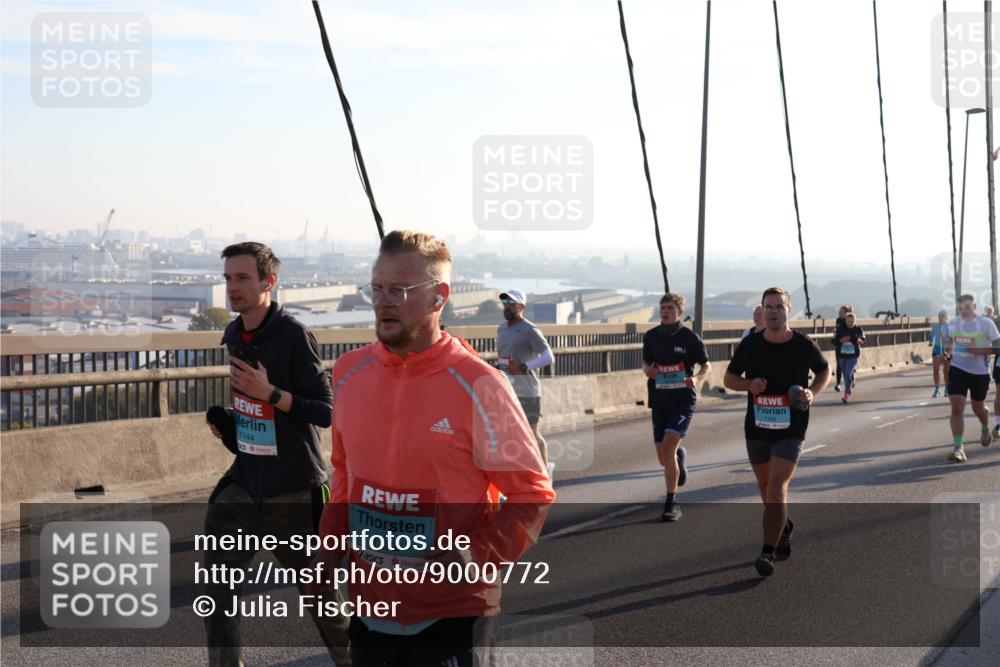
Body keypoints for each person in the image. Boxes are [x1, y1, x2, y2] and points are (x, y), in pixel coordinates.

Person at [317, 230, 555, 667]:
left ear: (438, 297)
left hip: (454, 614)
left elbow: (531, 495)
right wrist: (328, 547)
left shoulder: (480, 384)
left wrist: (470, 555)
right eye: (377, 288)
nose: (383, 301)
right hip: (372, 610)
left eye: (399, 289)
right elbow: (345, 474)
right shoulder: (349, 372)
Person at [203, 242, 350, 667]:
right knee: (217, 593)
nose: (232, 287)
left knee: (323, 602)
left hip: (294, 490)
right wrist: (231, 424)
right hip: (245, 485)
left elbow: (326, 410)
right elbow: (260, 420)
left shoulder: (293, 336)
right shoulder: (234, 333)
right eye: (228, 278)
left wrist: (272, 394)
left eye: (242, 278)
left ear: (269, 283)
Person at [725, 287, 830, 577]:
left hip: (792, 426)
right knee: (766, 491)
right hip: (757, 427)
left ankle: (767, 553)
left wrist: (812, 392)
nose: (773, 312)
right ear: (762, 310)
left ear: (789, 310)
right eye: (768, 307)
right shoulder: (751, 345)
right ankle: (784, 525)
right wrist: (748, 386)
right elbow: (728, 378)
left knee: (776, 486)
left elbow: (824, 371)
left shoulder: (803, 345)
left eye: (778, 307)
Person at [642, 293, 711, 522]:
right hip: (659, 401)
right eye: (663, 307)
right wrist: (648, 371)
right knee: (664, 457)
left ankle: (671, 503)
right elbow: (646, 364)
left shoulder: (690, 338)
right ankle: (679, 457)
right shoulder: (651, 337)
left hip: (683, 401)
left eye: (670, 308)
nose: (665, 311)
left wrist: (697, 379)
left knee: (668, 448)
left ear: (679, 312)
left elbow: (706, 366)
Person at [496, 289, 555, 471]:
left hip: (528, 390)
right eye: (505, 303)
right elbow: (504, 357)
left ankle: (544, 474)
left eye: (512, 304)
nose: (507, 307)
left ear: (522, 307)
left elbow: (548, 357)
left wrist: (523, 367)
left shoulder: (530, 330)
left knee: (532, 433)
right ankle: (521, 474)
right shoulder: (501, 328)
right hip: (507, 390)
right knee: (510, 435)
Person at [943, 294, 1000, 461]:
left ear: (974, 307)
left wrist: (979, 351)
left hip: (979, 373)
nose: (964, 312)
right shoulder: (953, 324)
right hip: (958, 370)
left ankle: (984, 425)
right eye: (961, 309)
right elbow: (948, 347)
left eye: (967, 308)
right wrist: (946, 359)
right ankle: (958, 448)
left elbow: (998, 347)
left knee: (978, 408)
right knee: (957, 407)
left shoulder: (986, 324)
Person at [835, 312, 865, 403]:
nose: (850, 323)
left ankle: (846, 394)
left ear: (855, 321)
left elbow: (862, 340)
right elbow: (833, 340)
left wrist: (856, 339)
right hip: (842, 355)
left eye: (852, 321)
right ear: (845, 321)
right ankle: (851, 382)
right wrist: (841, 340)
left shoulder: (858, 329)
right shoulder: (840, 329)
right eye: (848, 321)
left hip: (853, 355)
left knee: (848, 373)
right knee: (846, 374)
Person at [929, 310, 951, 398]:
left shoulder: (949, 326)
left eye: (942, 316)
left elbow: (951, 339)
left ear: (946, 317)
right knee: (936, 369)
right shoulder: (935, 326)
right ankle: (937, 389)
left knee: (946, 370)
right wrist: (930, 341)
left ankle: (947, 388)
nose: (940, 318)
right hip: (937, 349)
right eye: (939, 316)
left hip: (946, 349)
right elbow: (931, 335)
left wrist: (944, 336)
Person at [831, 306, 850, 392]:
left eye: (841, 312)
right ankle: (838, 384)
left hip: (846, 345)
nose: (839, 313)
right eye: (839, 311)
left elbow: (852, 331)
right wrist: (835, 334)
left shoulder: (849, 320)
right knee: (839, 364)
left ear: (846, 313)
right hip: (839, 345)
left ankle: (850, 379)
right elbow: (837, 331)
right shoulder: (838, 320)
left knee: (847, 365)